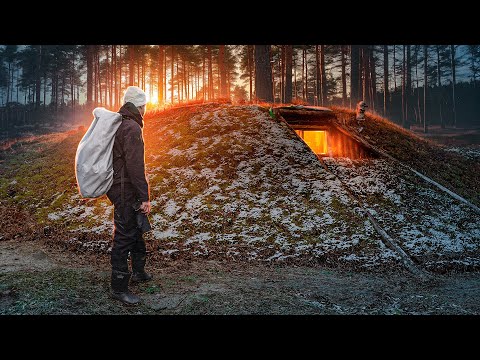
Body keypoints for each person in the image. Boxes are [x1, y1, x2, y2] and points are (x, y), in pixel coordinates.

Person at [106, 86, 152, 305]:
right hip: (125, 188)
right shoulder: (132, 127)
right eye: (144, 105)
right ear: (139, 106)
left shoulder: (120, 123)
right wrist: (145, 196)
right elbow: (135, 166)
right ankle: (119, 288)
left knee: (135, 226)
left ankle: (139, 272)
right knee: (124, 234)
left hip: (120, 186)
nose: (146, 109)